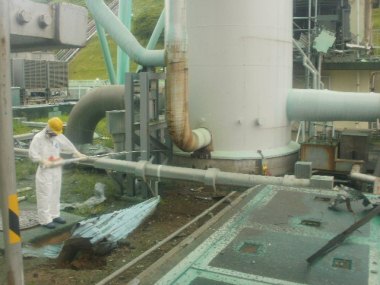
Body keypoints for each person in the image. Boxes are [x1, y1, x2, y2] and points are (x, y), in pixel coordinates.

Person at [29, 117, 86, 229]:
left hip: (56, 168)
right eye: (54, 132)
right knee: (45, 194)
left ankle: (55, 215)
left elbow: (66, 144)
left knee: (55, 192)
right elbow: (32, 154)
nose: (56, 135)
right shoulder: (38, 138)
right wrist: (42, 160)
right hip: (45, 170)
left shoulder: (57, 135)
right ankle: (45, 220)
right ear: (48, 128)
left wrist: (77, 153)